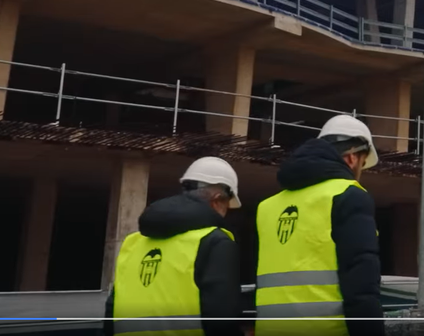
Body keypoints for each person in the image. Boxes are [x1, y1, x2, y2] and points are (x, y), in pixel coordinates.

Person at [254, 114, 383, 336]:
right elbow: (361, 286)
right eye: (363, 164)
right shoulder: (348, 195)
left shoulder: (267, 207)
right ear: (352, 158)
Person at [106, 156, 243, 336]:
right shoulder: (214, 242)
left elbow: (110, 314)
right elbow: (222, 322)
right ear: (217, 200)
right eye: (227, 207)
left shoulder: (133, 243)